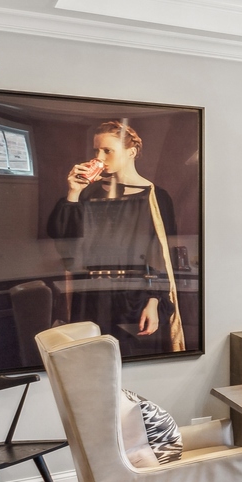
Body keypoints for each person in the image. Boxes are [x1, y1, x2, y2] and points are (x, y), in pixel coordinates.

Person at [46, 120, 185, 352]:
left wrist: (153, 301)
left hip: (136, 299)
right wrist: (73, 193)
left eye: (107, 150)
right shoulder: (88, 193)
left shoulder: (156, 197)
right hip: (92, 297)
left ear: (131, 152)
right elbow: (66, 244)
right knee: (93, 362)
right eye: (96, 150)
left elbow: (161, 255)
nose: (98, 157)